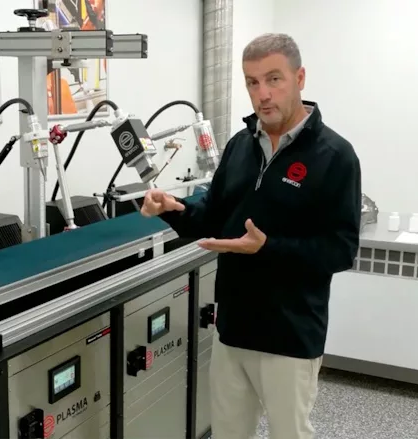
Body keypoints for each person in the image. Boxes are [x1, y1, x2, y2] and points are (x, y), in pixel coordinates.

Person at [140, 33, 361, 439]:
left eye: (274, 79)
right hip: (234, 330)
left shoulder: (335, 156)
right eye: (252, 82)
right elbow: (212, 220)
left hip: (291, 335)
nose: (263, 94)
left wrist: (267, 248)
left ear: (299, 78)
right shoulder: (240, 147)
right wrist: (174, 208)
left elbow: (341, 250)